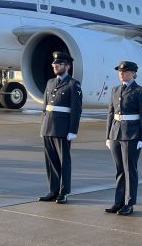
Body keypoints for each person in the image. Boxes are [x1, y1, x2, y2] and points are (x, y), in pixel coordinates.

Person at [105, 61, 142, 216]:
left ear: (133, 73)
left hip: (131, 135)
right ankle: (118, 202)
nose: (121, 74)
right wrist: (108, 135)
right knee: (119, 170)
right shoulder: (115, 90)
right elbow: (111, 114)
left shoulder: (140, 91)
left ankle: (129, 203)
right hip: (116, 134)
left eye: (125, 72)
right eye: (120, 72)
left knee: (129, 170)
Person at [38, 51, 82, 204]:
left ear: (67, 66)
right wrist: (43, 126)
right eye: (54, 64)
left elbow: (76, 110)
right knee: (51, 161)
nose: (55, 66)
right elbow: (45, 107)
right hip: (48, 127)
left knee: (64, 162)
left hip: (63, 129)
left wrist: (72, 130)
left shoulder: (73, 84)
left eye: (59, 64)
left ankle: (64, 192)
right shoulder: (50, 82)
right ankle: (53, 190)